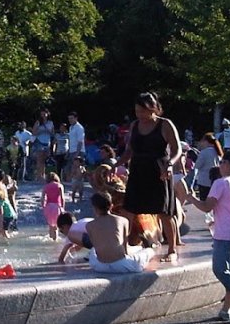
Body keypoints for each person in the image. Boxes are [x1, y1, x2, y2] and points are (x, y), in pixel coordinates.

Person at [180, 150, 230, 323]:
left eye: (223, 161)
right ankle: (226, 310)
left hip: (226, 233)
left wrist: (191, 198)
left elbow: (207, 207)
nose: (220, 164)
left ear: (229, 165)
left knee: (220, 270)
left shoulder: (220, 183)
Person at [120, 92, 183, 262]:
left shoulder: (165, 124)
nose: (139, 114)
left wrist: (170, 164)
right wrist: (115, 164)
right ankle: (123, 248)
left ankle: (172, 249)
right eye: (137, 111)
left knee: (164, 212)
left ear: (153, 108)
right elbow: (129, 151)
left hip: (159, 171)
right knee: (128, 211)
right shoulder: (134, 125)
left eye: (142, 111)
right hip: (138, 171)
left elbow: (177, 149)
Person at [86, 192, 155, 273]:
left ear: (94, 208)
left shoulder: (89, 225)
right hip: (122, 265)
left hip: (100, 266)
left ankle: (139, 248)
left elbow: (96, 247)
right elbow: (125, 248)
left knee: (92, 251)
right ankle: (146, 248)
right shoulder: (123, 221)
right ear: (111, 206)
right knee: (149, 251)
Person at [193, 133, 223, 201]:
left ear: (206, 141)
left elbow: (197, 166)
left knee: (204, 202)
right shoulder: (218, 151)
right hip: (215, 180)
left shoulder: (204, 152)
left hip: (204, 180)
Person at [42, 172, 66, 240]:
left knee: (50, 226)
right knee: (56, 226)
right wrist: (63, 208)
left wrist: (43, 207)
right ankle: (55, 241)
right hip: (57, 207)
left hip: (48, 207)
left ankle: (51, 238)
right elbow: (62, 198)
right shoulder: (59, 186)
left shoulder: (46, 186)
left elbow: (43, 198)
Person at [31, 109, 54, 181]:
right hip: (39, 142)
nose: (43, 116)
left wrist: (47, 131)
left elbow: (52, 133)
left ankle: (43, 174)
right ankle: (38, 176)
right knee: (39, 159)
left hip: (47, 143)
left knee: (44, 160)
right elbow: (33, 133)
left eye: (44, 114)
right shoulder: (38, 122)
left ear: (47, 114)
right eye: (42, 114)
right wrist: (40, 131)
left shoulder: (50, 123)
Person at [66, 112, 86, 182]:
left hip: (78, 151)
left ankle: (79, 182)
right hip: (72, 150)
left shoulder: (79, 128)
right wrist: (68, 150)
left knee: (78, 168)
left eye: (71, 118)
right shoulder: (71, 127)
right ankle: (73, 182)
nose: (70, 120)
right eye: (69, 119)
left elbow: (80, 141)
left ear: (76, 118)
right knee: (70, 168)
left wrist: (77, 154)